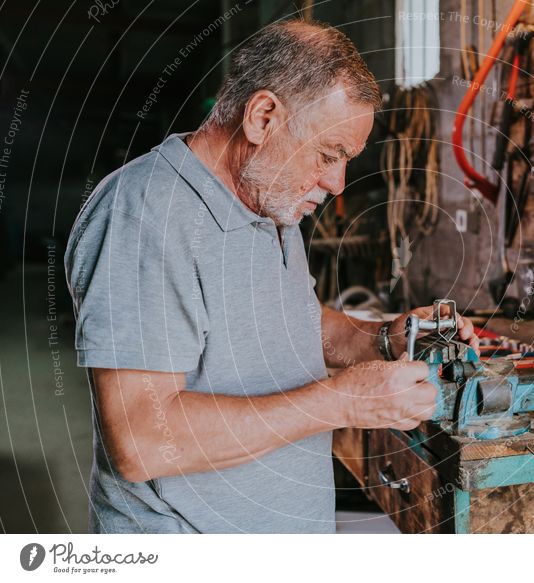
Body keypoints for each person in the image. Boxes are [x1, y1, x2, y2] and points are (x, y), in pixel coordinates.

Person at [64, 19, 477, 534]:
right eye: (329, 155)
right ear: (262, 117)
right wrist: (343, 400)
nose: (336, 182)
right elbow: (143, 438)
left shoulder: (267, 204)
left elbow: (289, 325)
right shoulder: (145, 215)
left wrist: (384, 339)